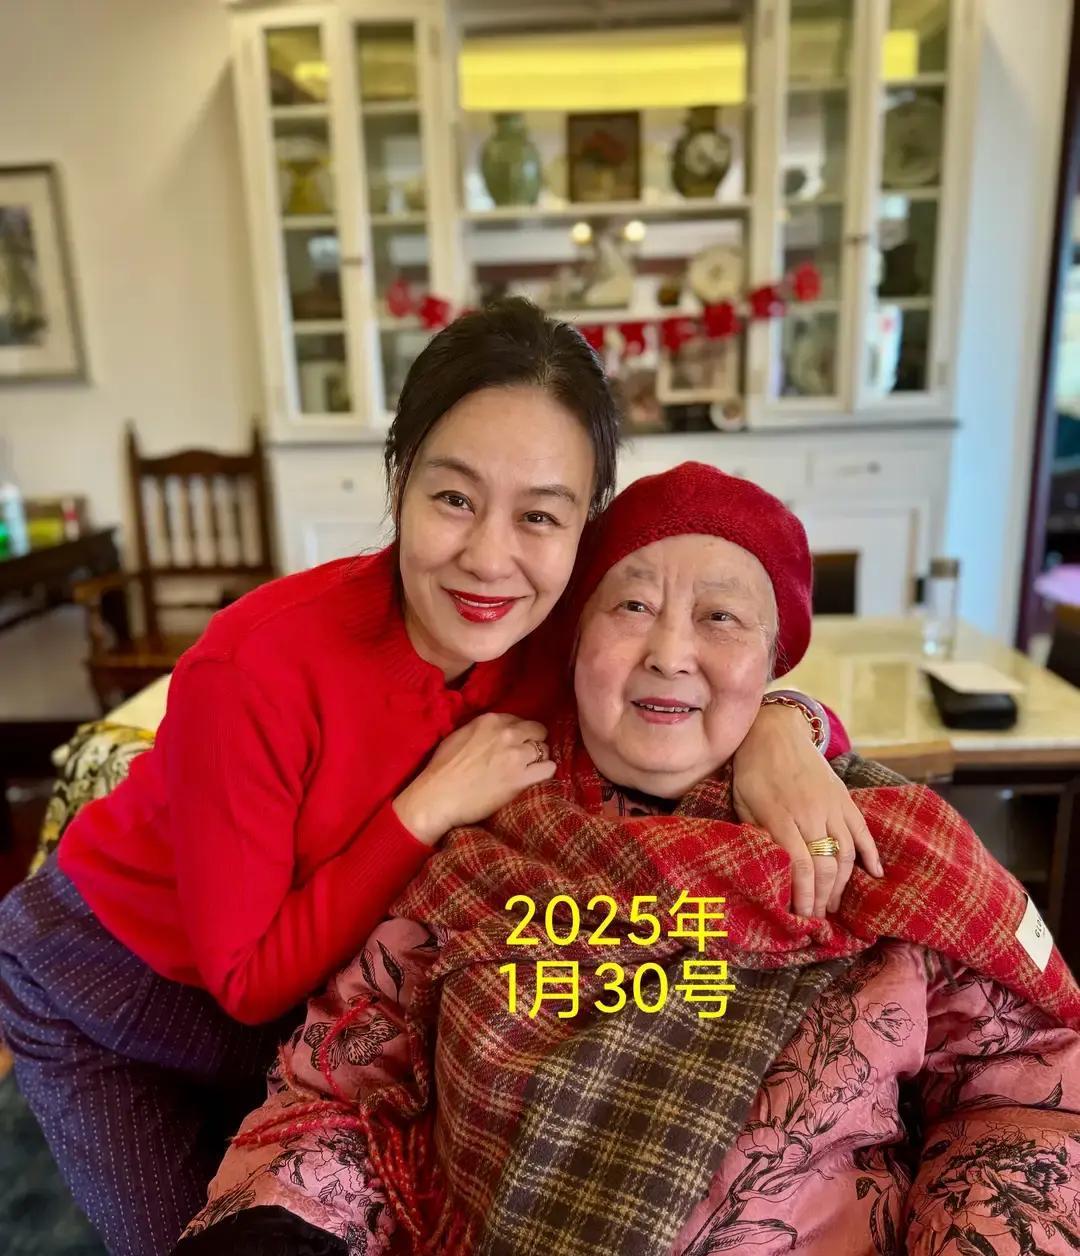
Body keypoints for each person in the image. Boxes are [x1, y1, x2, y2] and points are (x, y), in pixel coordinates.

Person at [0, 304, 870, 1256]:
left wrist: (787, 729)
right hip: (109, 982)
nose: (489, 558)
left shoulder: (547, 633)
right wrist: (425, 809)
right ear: (399, 479)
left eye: (539, 515)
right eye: (454, 498)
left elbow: (698, 678)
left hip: (319, 1006)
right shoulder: (255, 665)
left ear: (583, 531)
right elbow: (247, 981)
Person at [176, 462, 1080, 1256]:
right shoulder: (481, 832)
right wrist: (276, 1230)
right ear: (573, 641)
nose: (670, 653)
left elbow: (1025, 1095)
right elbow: (339, 1087)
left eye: (720, 617)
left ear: (772, 661)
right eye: (633, 606)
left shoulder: (872, 841)